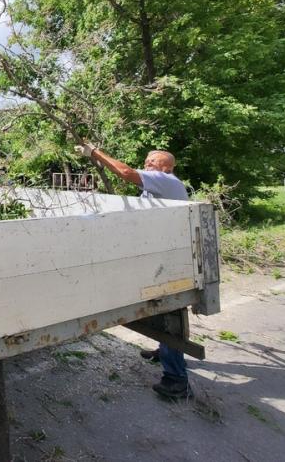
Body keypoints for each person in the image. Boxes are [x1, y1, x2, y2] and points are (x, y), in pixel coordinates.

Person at [74, 142, 193, 400]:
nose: (147, 164)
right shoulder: (157, 187)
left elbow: (126, 173)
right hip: (161, 255)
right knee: (163, 307)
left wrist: (94, 152)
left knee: (170, 310)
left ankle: (177, 381)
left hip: (171, 259)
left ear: (165, 167)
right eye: (147, 160)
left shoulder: (167, 181)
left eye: (152, 161)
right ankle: (166, 351)